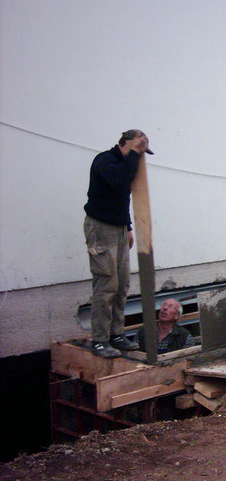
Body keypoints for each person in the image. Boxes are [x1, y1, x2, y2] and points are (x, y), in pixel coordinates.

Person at [84, 129, 154, 358]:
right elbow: (119, 180)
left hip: (120, 229)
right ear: (125, 143)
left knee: (122, 283)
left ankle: (116, 334)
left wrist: (128, 227)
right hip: (101, 228)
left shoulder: (127, 163)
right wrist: (134, 154)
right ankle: (100, 340)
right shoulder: (105, 161)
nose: (139, 156)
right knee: (107, 285)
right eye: (137, 149)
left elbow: (122, 198)